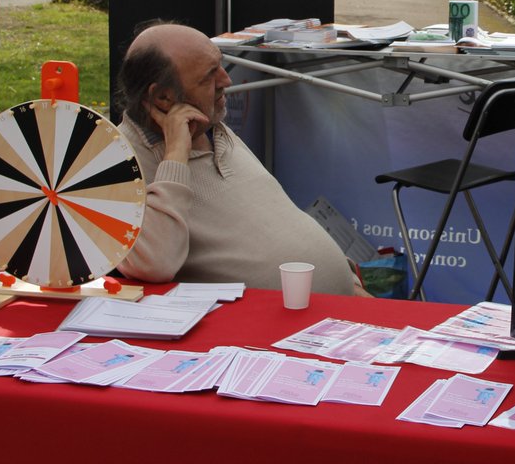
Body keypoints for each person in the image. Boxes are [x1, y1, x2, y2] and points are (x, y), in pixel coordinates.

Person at [115, 22, 367, 296]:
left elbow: (278, 223)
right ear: (163, 97)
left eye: (220, 65)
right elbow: (155, 263)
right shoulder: (117, 162)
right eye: (209, 76)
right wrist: (175, 154)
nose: (226, 80)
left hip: (340, 310)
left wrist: (347, 279)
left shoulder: (210, 126)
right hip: (268, 328)